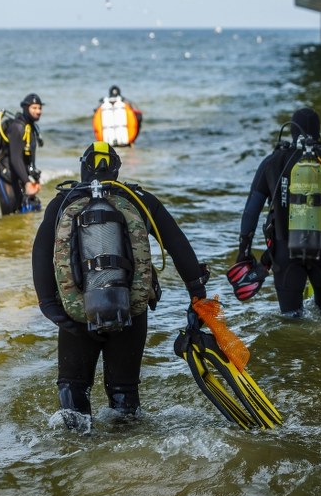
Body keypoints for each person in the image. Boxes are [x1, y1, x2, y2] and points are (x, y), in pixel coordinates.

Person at [32, 141, 209, 429]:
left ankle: (78, 461)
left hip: (77, 317)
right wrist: (197, 295)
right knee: (124, 395)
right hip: (130, 313)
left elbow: (40, 253)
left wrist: (49, 306)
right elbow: (177, 244)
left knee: (74, 390)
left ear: (83, 168)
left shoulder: (62, 203)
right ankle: (129, 459)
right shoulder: (139, 200)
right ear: (116, 169)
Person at [235, 107, 321, 317]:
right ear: (319, 131)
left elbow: (251, 212)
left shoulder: (273, 162)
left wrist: (243, 253)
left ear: (292, 131)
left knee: (291, 323)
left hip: (285, 254)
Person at [0, 93, 43, 215]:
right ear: (26, 108)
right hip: (5, 176)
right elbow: (15, 158)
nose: (38, 111)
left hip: (17, 178)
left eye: (40, 108)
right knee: (8, 216)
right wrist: (27, 182)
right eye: (34, 108)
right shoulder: (18, 128)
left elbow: (28, 158)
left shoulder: (31, 128)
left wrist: (33, 177)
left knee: (17, 216)